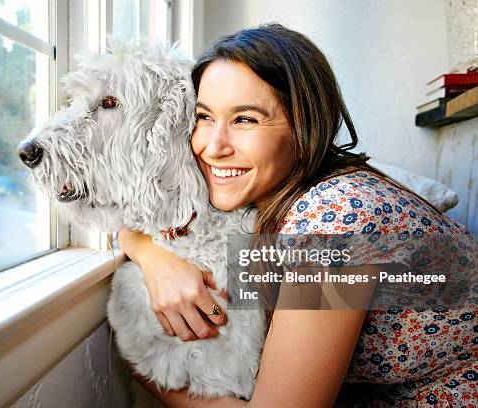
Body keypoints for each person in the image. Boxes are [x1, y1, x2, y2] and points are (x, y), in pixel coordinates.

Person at [119, 23, 477, 406]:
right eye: (205, 116)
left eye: (246, 119)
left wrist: (145, 365)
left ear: (304, 126)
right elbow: (129, 218)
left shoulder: (332, 223)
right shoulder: (258, 191)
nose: (213, 146)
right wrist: (155, 259)